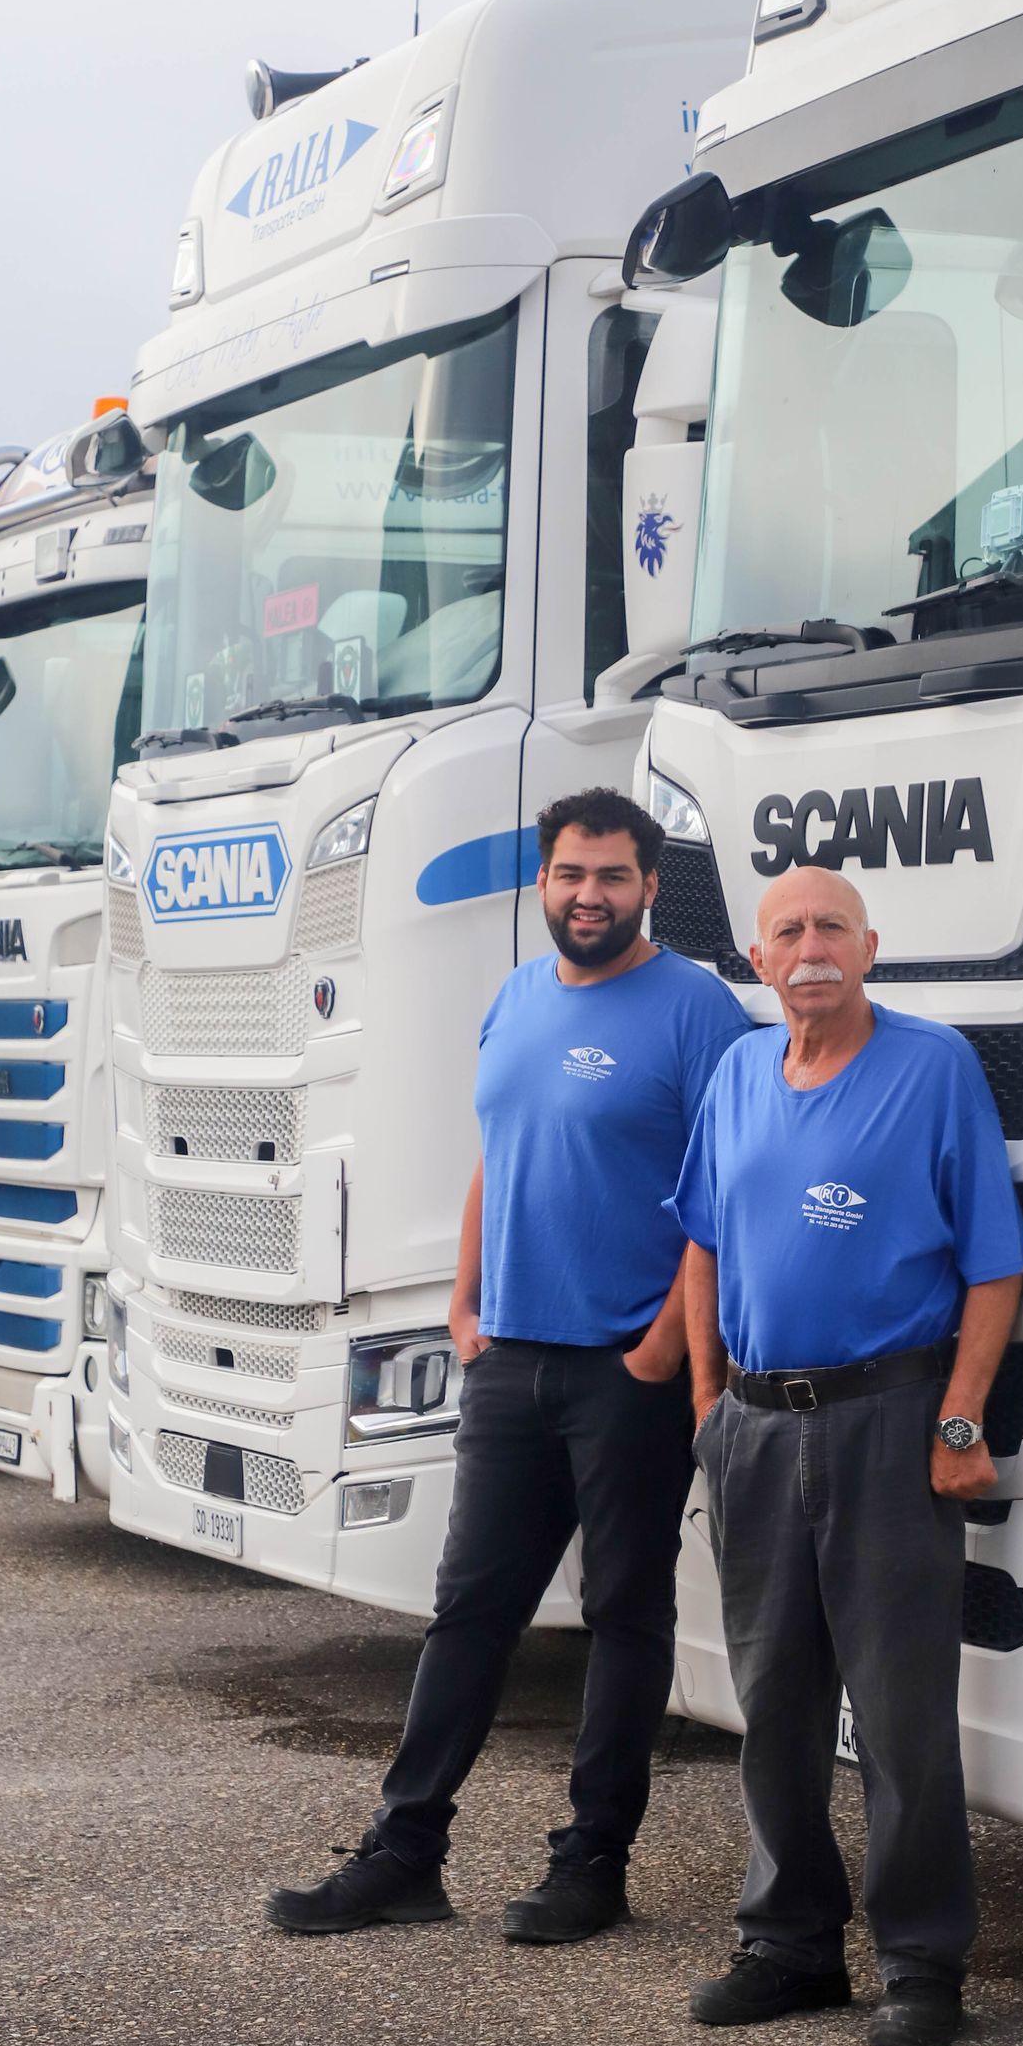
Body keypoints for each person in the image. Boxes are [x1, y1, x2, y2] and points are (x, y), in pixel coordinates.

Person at [268, 786, 750, 1947]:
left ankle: (593, 1864)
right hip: (509, 1361)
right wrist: (464, 1297)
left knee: (624, 1615)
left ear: (649, 885)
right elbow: (501, 1149)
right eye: (572, 874)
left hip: (623, 1368)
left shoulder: (700, 1012)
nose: (590, 895)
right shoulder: (517, 997)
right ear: (544, 882)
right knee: (469, 1611)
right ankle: (404, 1850)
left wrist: (662, 1347)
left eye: (614, 876)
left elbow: (733, 1187)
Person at [671, 864, 1023, 2046]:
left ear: (868, 945)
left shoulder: (931, 1070)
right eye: (788, 930)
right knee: (772, 1704)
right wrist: (710, 1403)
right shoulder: (733, 1077)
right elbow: (703, 1244)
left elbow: (992, 1261)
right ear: (759, 958)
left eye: (831, 925)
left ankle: (922, 1963)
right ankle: (790, 1946)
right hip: (758, 1430)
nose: (811, 945)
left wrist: (961, 1417)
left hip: (890, 1420)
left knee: (899, 1713)